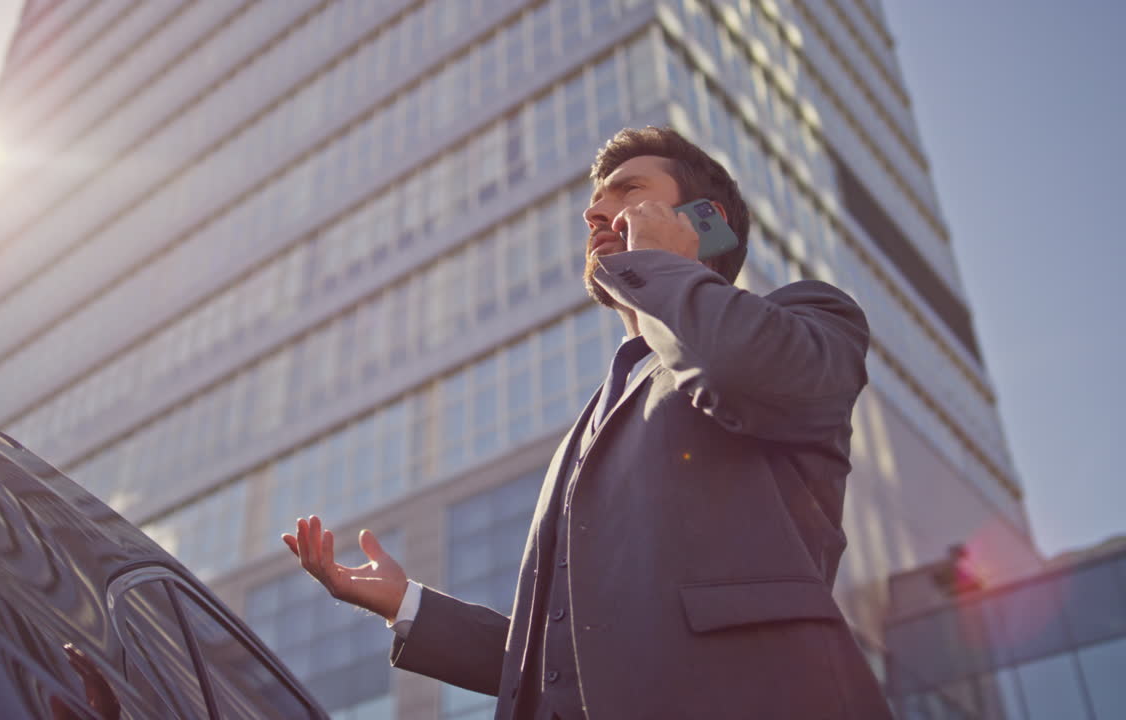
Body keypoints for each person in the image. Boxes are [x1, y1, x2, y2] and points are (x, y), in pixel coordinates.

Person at [283, 127, 892, 719]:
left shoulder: (809, 314)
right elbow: (563, 663)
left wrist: (658, 263)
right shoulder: (587, 426)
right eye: (596, 198)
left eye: (627, 191)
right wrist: (407, 605)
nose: (594, 212)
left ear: (705, 220)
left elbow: (740, 371)